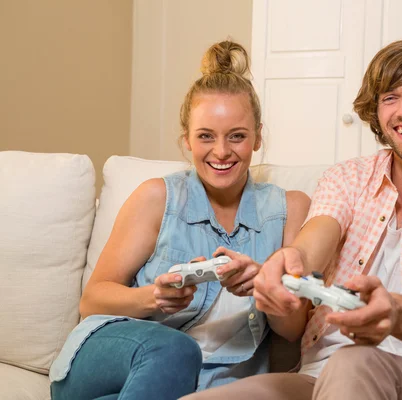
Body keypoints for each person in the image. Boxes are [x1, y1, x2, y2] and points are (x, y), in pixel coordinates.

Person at [183, 37, 402, 400]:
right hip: (320, 375)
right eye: (390, 97)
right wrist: (282, 270)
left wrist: (396, 312)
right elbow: (309, 250)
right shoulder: (347, 179)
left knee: (355, 363)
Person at [49, 40, 310, 400]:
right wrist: (155, 297)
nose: (221, 152)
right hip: (112, 356)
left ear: (258, 137)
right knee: (175, 350)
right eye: (206, 136)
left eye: (237, 136)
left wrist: (263, 288)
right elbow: (92, 300)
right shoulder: (158, 197)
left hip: (204, 387)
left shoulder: (289, 209)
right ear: (186, 139)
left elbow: (295, 329)